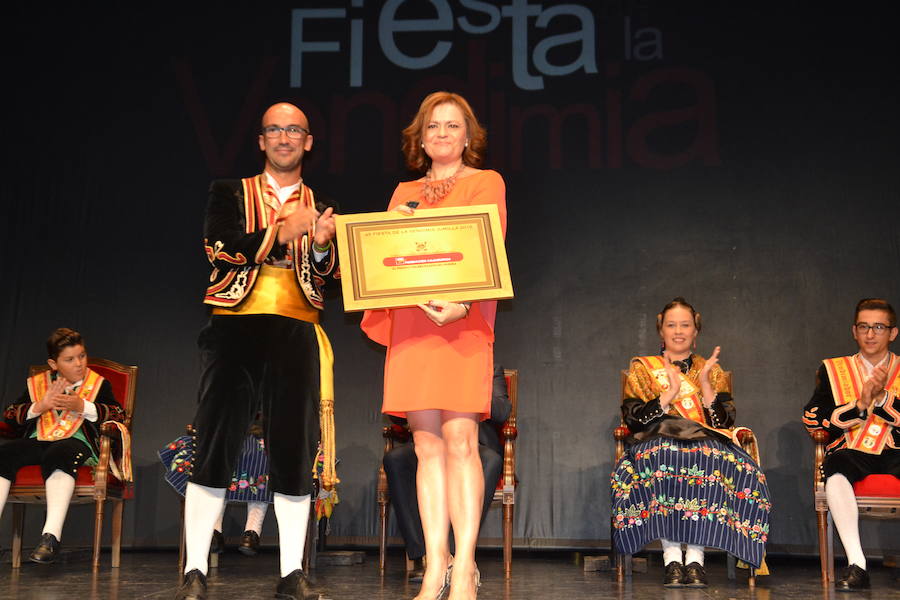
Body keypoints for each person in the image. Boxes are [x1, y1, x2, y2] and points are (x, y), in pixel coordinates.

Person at [176, 102, 338, 600]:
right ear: (261, 140)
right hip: (235, 328)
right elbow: (218, 248)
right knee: (215, 445)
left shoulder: (319, 202)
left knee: (294, 448)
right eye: (275, 129)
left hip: (296, 329)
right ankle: (195, 569)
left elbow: (328, 278)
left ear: (308, 141)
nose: (284, 137)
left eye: (294, 129)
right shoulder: (228, 192)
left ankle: (292, 573)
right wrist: (281, 233)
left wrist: (319, 246)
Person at [361, 91, 506, 600]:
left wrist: (463, 303)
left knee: (463, 442)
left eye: (452, 126)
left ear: (469, 135)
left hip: (462, 325)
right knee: (425, 447)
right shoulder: (403, 192)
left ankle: (464, 566)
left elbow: (490, 248)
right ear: (420, 138)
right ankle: (433, 564)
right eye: (433, 127)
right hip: (414, 324)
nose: (442, 134)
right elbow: (389, 258)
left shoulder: (488, 182)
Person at [611, 298, 771, 588]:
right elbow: (633, 420)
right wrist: (667, 395)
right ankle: (671, 559)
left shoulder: (711, 369)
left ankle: (696, 560)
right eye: (671, 325)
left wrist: (708, 387)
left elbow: (723, 425)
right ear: (661, 329)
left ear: (696, 330)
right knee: (663, 458)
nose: (678, 331)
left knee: (708, 458)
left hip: (704, 442)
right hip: (657, 440)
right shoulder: (643, 368)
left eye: (685, 325)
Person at [0, 328, 125, 563]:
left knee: (60, 454)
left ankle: (50, 537)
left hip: (77, 444)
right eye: (69, 359)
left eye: (82, 356)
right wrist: (40, 405)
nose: (79, 364)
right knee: (4, 454)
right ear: (53, 363)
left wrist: (84, 406)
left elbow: (118, 416)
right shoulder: (38, 385)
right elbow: (9, 416)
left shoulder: (98, 385)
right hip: (38, 442)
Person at [803, 298, 900, 591]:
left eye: (879, 327)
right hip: (853, 451)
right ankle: (857, 564)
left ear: (892, 333)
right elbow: (814, 419)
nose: (870, 334)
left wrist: (881, 399)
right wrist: (860, 404)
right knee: (835, 469)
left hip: (896, 449)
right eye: (864, 326)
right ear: (854, 331)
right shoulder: (833, 369)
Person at [383, 365, 511, 580]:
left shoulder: (488, 365)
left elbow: (501, 412)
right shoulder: (428, 363)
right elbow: (398, 418)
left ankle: (462, 556)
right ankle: (425, 555)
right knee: (395, 459)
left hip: (471, 440)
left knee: (492, 460)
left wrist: (473, 380)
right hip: (430, 439)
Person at [160, 423, 272, 556]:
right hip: (227, 433)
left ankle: (251, 531)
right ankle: (217, 531)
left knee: (261, 459)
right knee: (218, 460)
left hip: (260, 433)